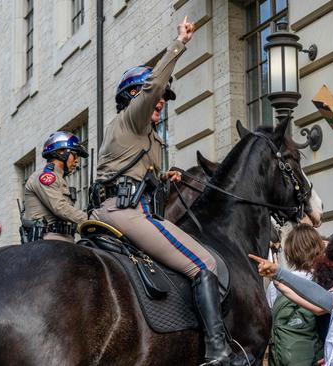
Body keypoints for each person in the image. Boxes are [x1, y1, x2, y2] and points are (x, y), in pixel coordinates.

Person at [90, 19, 247, 366]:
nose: (161, 103)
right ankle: (218, 349)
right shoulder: (130, 121)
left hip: (124, 208)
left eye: (164, 102)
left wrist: (163, 179)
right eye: (157, 99)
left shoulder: (146, 139)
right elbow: (152, 87)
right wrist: (179, 43)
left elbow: (129, 172)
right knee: (204, 263)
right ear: (134, 98)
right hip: (127, 214)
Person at [268, 224, 324, 366]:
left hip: (282, 356)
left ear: (289, 253)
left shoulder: (274, 285)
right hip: (314, 357)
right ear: (318, 249)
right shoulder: (321, 281)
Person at [22, 131, 89, 243]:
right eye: (74, 155)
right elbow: (60, 207)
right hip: (48, 239)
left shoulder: (59, 178)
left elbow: (68, 218)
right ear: (61, 152)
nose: (76, 161)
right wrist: (90, 220)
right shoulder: (45, 176)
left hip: (65, 238)